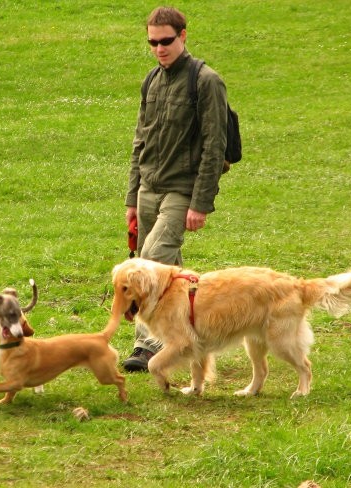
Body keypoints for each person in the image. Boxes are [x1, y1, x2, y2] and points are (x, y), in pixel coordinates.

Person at [122, 6, 229, 372]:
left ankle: (146, 346)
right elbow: (141, 141)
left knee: (150, 263)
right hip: (148, 188)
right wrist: (132, 199)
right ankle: (184, 335)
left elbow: (216, 145)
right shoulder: (151, 81)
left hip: (181, 189)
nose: (159, 48)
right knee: (168, 270)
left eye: (166, 41)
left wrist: (200, 203)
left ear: (183, 36)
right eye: (152, 42)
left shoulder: (206, 81)